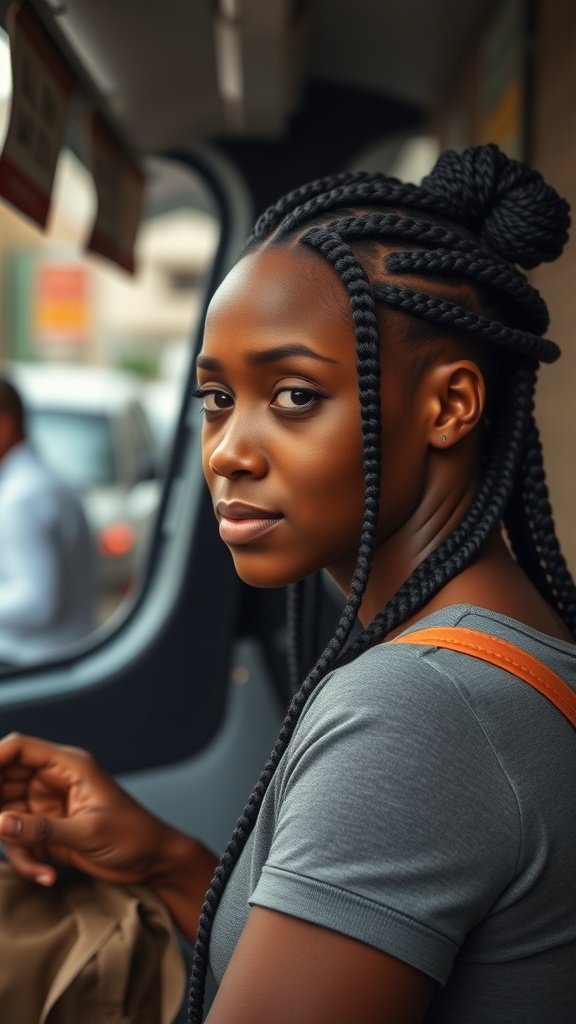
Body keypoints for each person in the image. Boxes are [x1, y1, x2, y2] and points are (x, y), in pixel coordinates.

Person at [0, 143, 575, 1023]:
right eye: (216, 398)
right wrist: (167, 861)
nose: (228, 450)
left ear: (450, 405)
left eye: (296, 395)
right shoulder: (481, 655)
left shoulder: (419, 710)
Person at [0, 376, 96, 665]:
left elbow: (37, 602)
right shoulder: (41, 482)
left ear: (4, 425)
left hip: (33, 666)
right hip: (58, 661)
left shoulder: (23, 497)